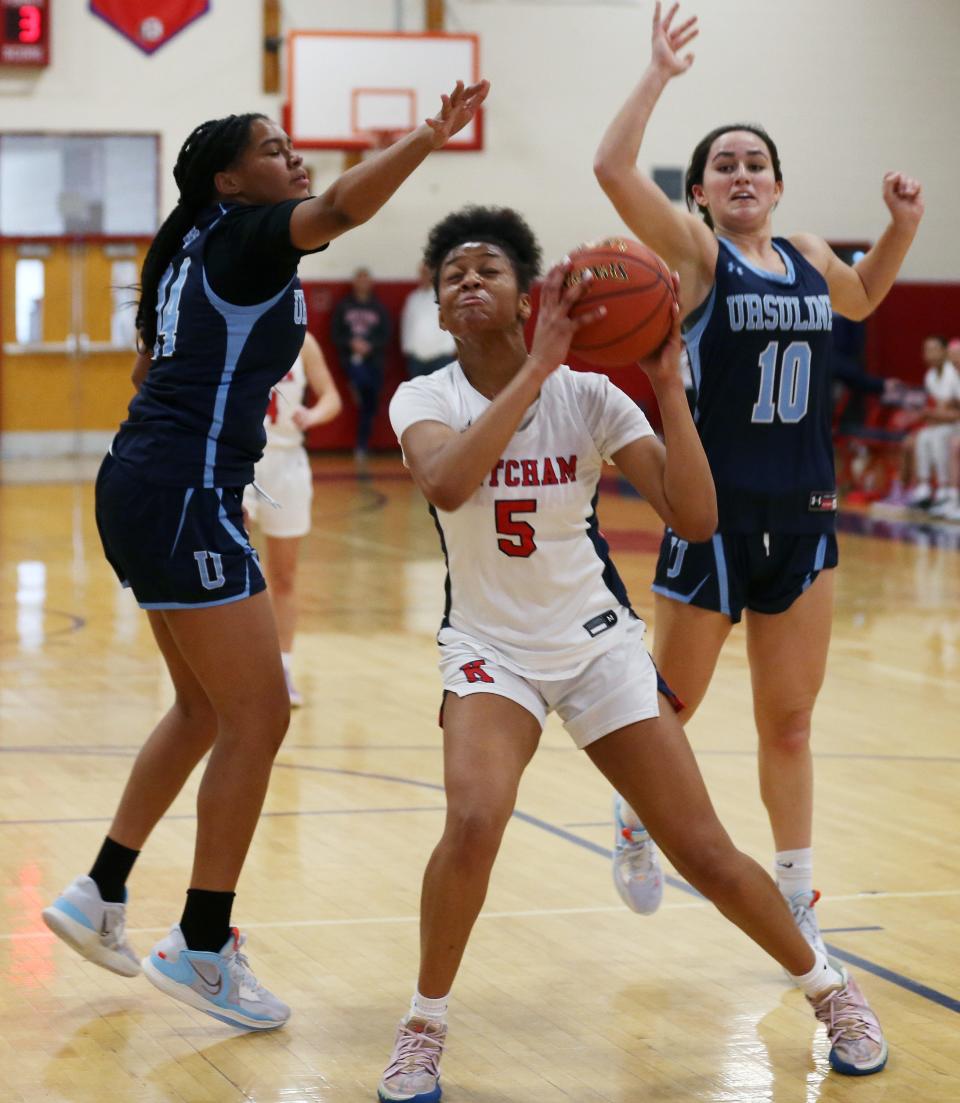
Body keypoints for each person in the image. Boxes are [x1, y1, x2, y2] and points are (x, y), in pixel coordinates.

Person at [376, 205, 887, 1102]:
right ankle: (424, 1025)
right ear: (438, 302)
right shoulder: (425, 397)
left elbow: (695, 517)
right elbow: (450, 480)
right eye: (451, 272)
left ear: (529, 292)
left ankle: (831, 989)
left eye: (486, 267)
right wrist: (539, 363)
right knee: (473, 820)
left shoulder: (592, 396)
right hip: (493, 649)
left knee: (705, 848)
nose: (466, 281)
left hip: (595, 643)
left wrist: (671, 389)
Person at [40, 80, 489, 1030]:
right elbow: (344, 206)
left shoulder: (190, 250)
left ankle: (99, 892)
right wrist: (429, 134)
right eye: (274, 148)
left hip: (146, 484)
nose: (293, 158)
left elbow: (147, 372)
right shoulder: (248, 236)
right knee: (261, 715)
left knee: (206, 708)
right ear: (230, 181)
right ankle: (202, 944)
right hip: (184, 497)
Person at [592, 1, 922, 968]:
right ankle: (635, 814)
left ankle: (795, 895)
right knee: (672, 708)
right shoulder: (697, 260)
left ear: (778, 183)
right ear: (698, 191)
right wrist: (657, 75)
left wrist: (900, 229)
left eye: (756, 162)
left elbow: (862, 299)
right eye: (724, 164)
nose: (742, 174)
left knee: (789, 719)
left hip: (808, 514)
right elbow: (612, 171)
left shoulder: (814, 255)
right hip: (713, 515)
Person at [243, 330, 342, 706]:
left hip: (287, 462)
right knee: (235, 570)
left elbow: (331, 397)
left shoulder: (304, 340)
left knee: (283, 575)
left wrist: (312, 414)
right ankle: (236, 666)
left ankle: (282, 668)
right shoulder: (234, 324)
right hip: (240, 458)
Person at [332, 266, 392, 462]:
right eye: (359, 278)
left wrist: (370, 346)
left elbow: (385, 335)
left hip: (373, 360)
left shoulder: (378, 307)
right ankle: (355, 385)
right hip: (351, 360)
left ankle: (362, 444)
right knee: (361, 380)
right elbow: (335, 334)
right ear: (354, 282)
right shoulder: (344, 306)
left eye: (366, 278)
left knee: (369, 405)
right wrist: (351, 343)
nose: (363, 282)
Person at [904, 335, 960, 509]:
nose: (930, 354)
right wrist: (933, 414)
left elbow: (953, 411)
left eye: (934, 349)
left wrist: (932, 413)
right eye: (926, 350)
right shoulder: (930, 377)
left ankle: (946, 490)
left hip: (952, 426)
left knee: (941, 437)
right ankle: (924, 487)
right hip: (945, 424)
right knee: (924, 436)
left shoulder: (953, 374)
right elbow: (941, 409)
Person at [400, 261, 457, 377]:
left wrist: (453, 347)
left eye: (427, 273)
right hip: (417, 359)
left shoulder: (444, 296)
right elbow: (407, 324)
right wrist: (408, 348)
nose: (424, 276)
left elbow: (454, 321)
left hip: (441, 357)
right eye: (422, 273)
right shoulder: (413, 298)